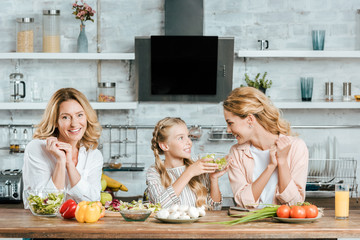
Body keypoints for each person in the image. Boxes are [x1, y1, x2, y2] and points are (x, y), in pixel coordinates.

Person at [223, 87, 309, 209]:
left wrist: (282, 162)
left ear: (250, 120)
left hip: (284, 227)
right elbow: (243, 203)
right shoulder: (237, 152)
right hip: (249, 226)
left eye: (230, 123)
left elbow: (295, 204)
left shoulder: (296, 147)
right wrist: (270, 167)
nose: (228, 129)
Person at [22, 88, 103, 207]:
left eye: (79, 115)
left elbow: (93, 202)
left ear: (87, 117)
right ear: (55, 121)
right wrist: (61, 161)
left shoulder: (93, 155)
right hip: (42, 224)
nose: (74, 124)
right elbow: (43, 204)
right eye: (66, 117)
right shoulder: (36, 149)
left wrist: (69, 164)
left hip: (82, 224)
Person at [146, 117, 228, 210]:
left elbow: (215, 208)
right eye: (181, 138)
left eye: (188, 136)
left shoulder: (197, 163)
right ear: (165, 146)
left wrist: (213, 179)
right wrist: (189, 173)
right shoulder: (154, 172)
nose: (189, 142)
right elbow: (159, 206)